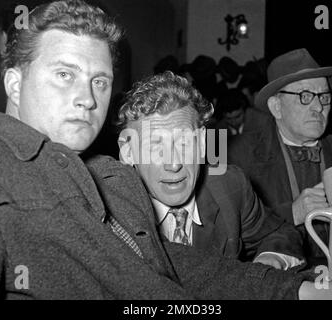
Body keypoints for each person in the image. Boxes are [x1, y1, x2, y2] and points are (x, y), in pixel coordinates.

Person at [0, 1, 332, 300]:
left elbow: (176, 268)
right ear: (14, 83)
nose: (87, 97)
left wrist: (305, 290)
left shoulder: (102, 180)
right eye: (65, 73)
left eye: (99, 80)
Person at [117, 71, 304, 269]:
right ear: (128, 151)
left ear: (203, 142)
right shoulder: (109, 214)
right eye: (155, 145)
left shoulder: (230, 185)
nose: (174, 164)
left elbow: (280, 234)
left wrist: (268, 265)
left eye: (184, 142)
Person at [228, 48, 332, 267]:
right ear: (276, 107)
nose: (318, 107)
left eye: (324, 96)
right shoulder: (241, 154)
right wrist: (292, 212)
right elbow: (230, 237)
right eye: (305, 96)